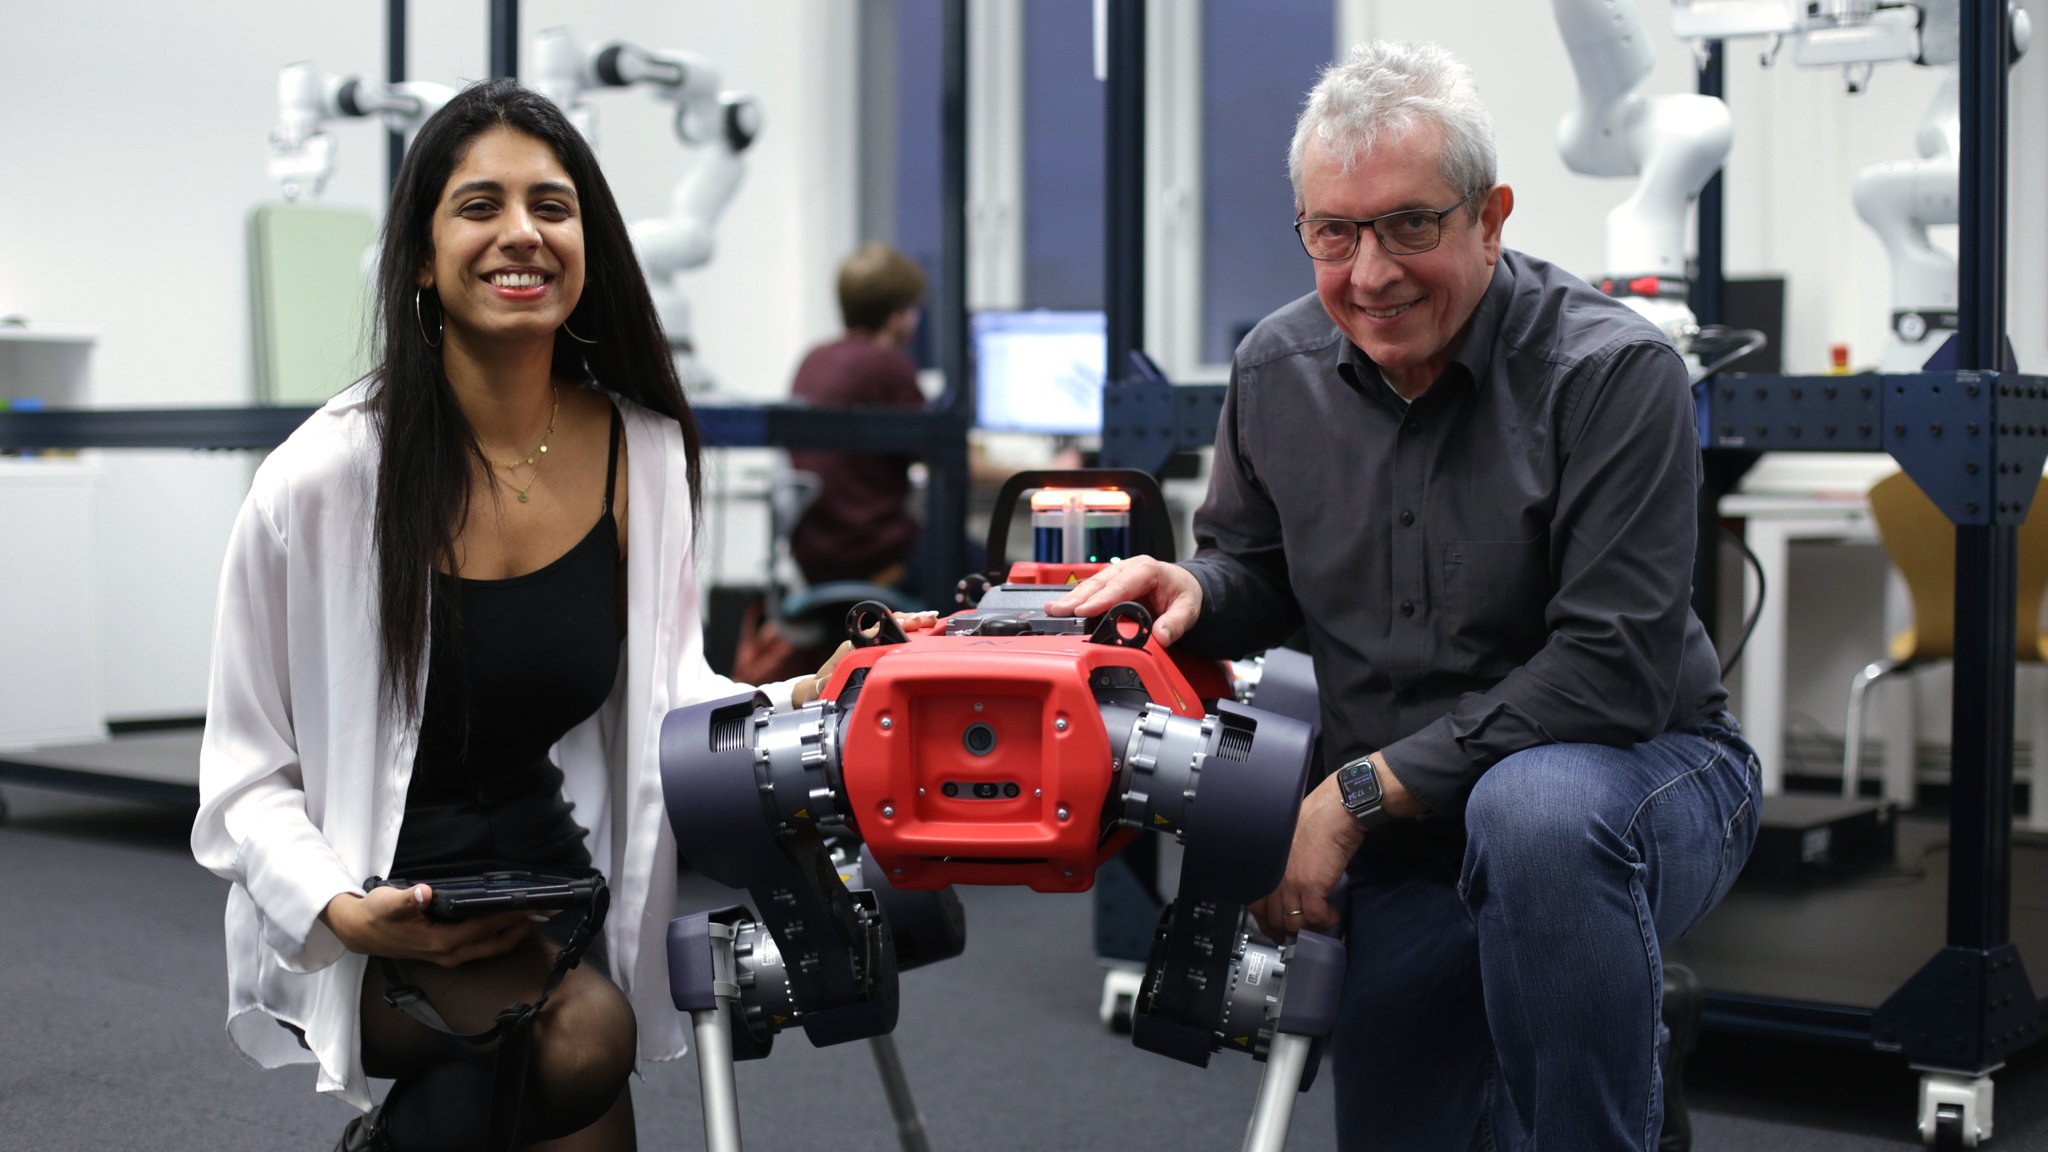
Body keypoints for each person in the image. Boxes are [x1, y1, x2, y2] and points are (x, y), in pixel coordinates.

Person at [1048, 41, 1758, 1152]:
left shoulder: (1613, 373)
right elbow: (1261, 572)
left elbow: (1607, 672)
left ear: (1490, 217)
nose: (1368, 273)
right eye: (1333, 233)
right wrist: (1190, 584)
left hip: (1637, 770)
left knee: (1534, 821)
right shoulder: (1274, 369)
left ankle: (1592, 1011)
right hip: (1409, 817)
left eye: (1409, 226)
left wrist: (1344, 803)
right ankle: (1610, 1001)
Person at [190, 79, 832, 1152]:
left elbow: (670, 688)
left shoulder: (647, 453)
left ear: (590, 244)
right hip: (370, 897)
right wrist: (341, 910)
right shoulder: (323, 475)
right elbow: (247, 773)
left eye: (552, 204)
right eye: (479, 205)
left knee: (577, 1090)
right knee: (582, 1042)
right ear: (424, 255)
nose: (521, 233)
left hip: (544, 879)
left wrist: (794, 701)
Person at [787, 242, 931, 591]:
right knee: (1000, 573)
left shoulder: (814, 358)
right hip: (875, 557)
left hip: (817, 560)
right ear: (897, 316)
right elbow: (947, 455)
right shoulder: (887, 364)